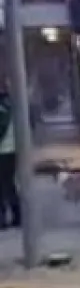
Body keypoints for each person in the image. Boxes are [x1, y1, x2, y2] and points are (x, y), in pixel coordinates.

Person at [0, 87, 19, 230]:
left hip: (3, 152)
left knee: (4, 186)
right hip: (10, 151)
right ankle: (16, 216)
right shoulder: (9, 107)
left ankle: (3, 219)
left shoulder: (2, 110)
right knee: (9, 185)